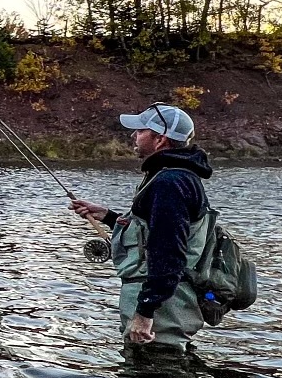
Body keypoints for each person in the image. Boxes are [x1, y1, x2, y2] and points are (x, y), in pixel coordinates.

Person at [69, 103, 213, 347]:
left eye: (140, 130)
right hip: (164, 299)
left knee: (155, 373)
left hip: (163, 306)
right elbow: (154, 233)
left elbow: (168, 252)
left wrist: (145, 313)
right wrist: (107, 216)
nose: (133, 135)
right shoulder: (173, 176)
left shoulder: (170, 182)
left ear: (160, 139)